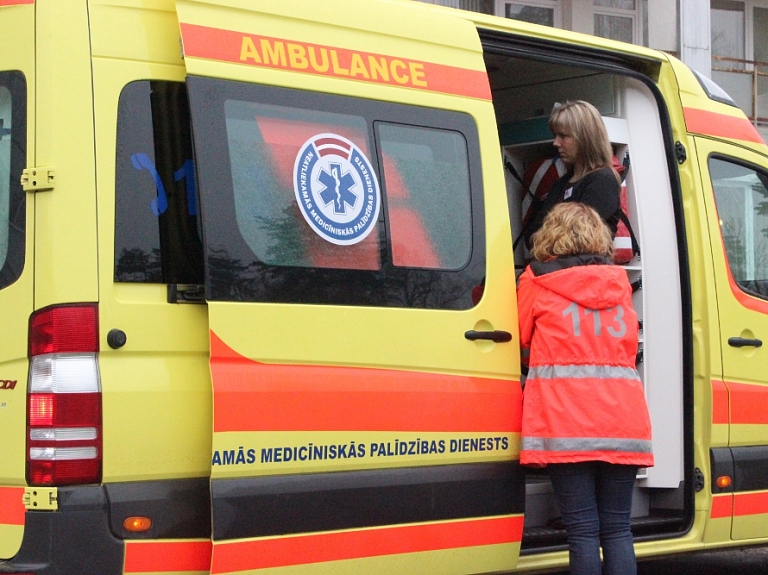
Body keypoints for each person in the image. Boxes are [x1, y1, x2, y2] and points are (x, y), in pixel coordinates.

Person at [517, 202, 653, 575]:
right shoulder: (617, 282)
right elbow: (626, 347)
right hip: (623, 421)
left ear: (551, 235)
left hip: (567, 423)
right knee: (617, 529)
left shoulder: (536, 279)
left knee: (582, 532)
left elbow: (520, 337)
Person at [523, 100, 621, 246]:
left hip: (584, 268)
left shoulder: (603, 180)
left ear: (585, 138)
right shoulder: (560, 184)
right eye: (555, 135)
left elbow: (578, 240)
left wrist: (549, 232)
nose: (556, 143)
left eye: (563, 136)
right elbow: (531, 238)